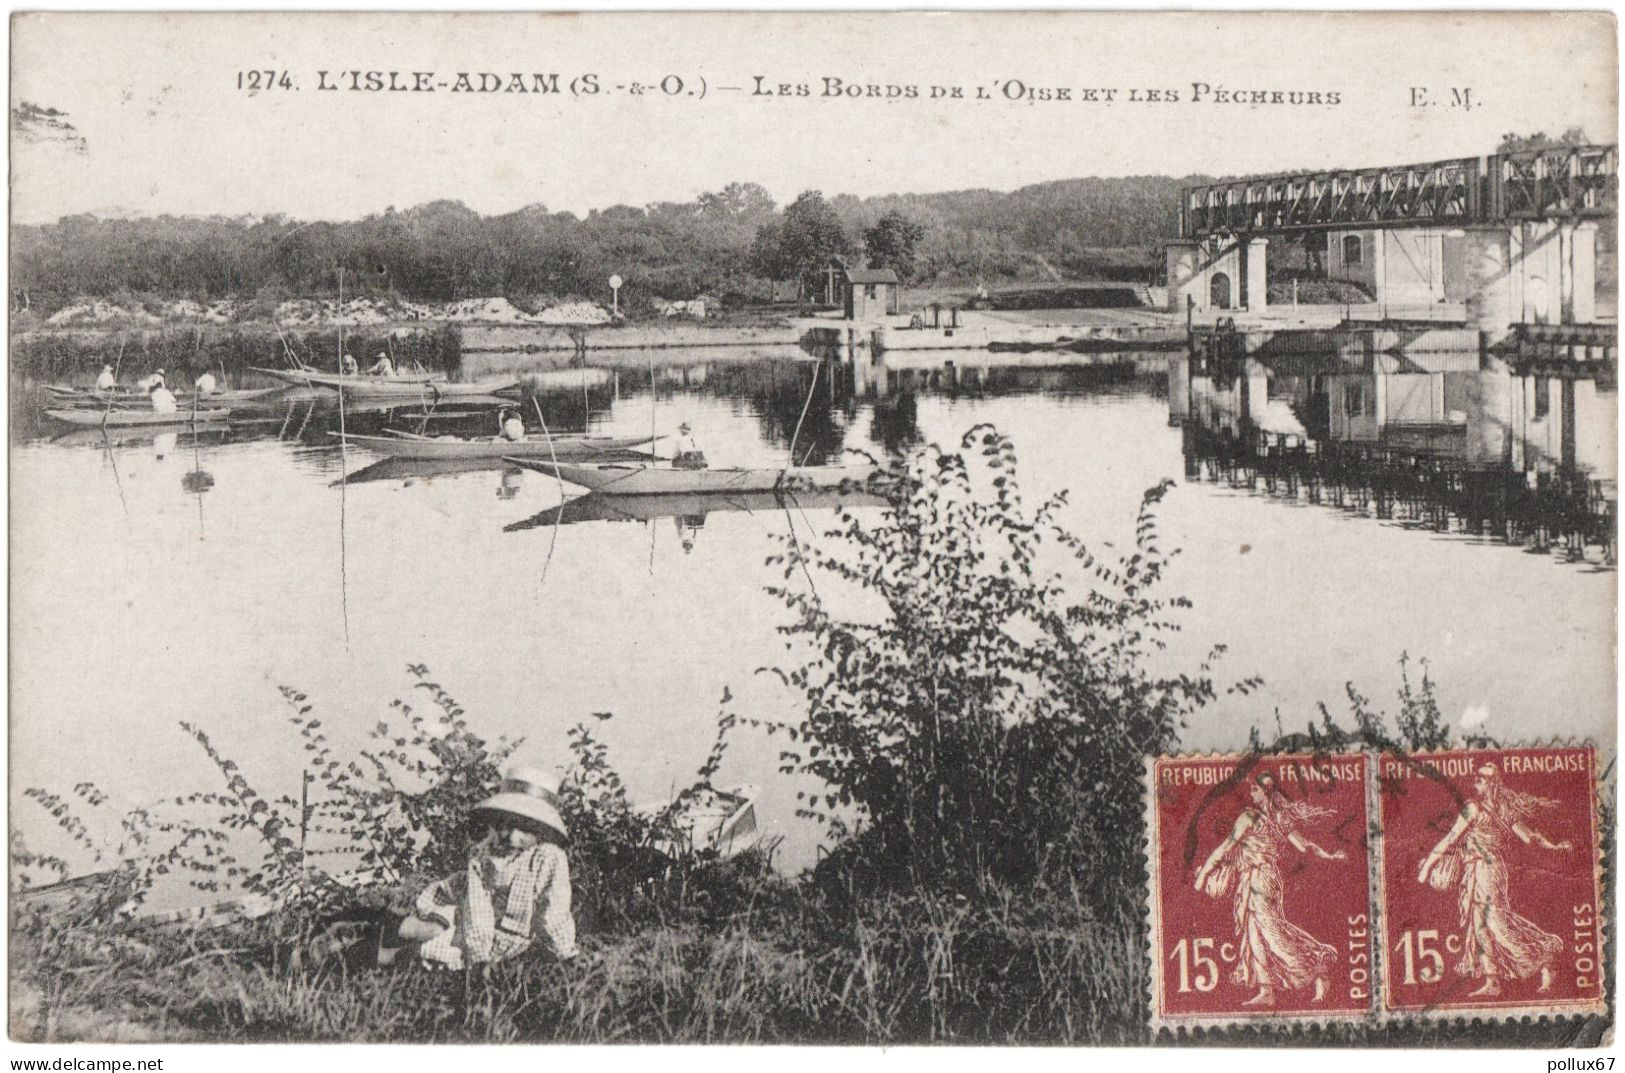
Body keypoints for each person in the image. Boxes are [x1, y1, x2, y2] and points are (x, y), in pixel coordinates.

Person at [380, 766, 577, 970]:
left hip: (503, 930)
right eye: (506, 826)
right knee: (439, 936)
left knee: (444, 947)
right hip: (460, 905)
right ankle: (387, 934)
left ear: (541, 830)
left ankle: (395, 948)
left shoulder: (549, 858)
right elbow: (477, 910)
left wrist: (565, 953)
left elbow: (554, 910)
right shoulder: (484, 856)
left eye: (525, 830)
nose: (512, 837)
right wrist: (480, 959)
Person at [1417, 763, 1568, 997]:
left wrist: (1426, 868)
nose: (1475, 782)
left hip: (1487, 871)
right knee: (1479, 927)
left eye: (1480, 779)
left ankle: (1544, 959)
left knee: (1496, 921)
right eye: (1476, 777)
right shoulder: (1499, 810)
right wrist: (1552, 845)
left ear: (1491, 783)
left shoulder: (1476, 810)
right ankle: (1493, 979)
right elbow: (1530, 838)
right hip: (1478, 871)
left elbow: (1451, 839)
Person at [1193, 773, 1344, 1007]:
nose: (1250, 794)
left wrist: (1201, 878)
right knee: (1257, 933)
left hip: (1258, 879)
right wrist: (1329, 855)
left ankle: (1316, 967)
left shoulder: (1249, 817)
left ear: (1265, 792)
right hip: (1268, 878)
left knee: (1271, 932)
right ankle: (1267, 991)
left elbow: (1225, 848)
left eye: (1254, 790)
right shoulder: (1281, 819)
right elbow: (1305, 846)